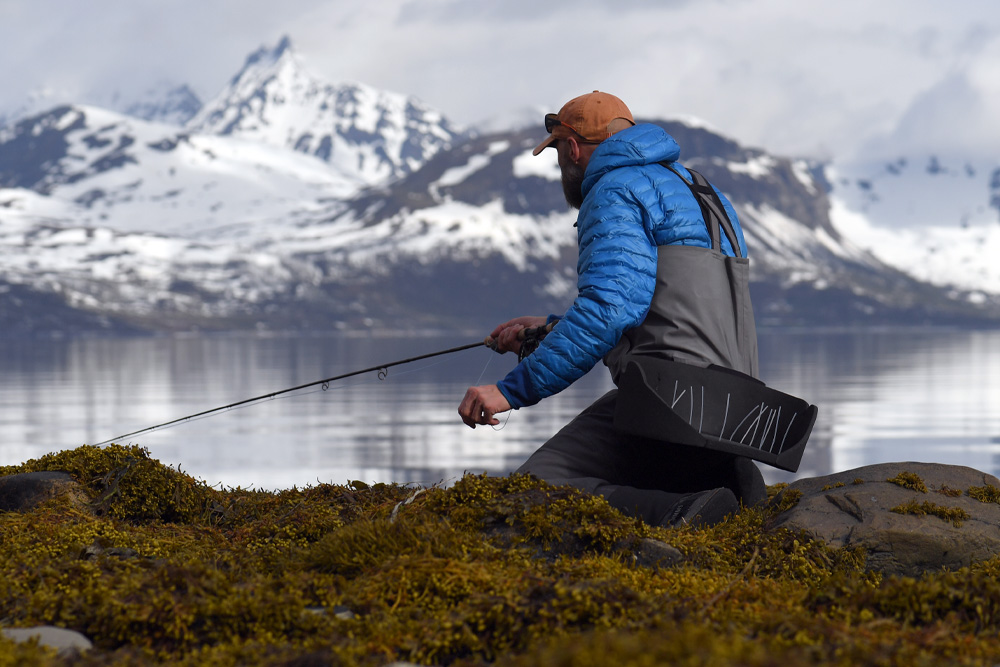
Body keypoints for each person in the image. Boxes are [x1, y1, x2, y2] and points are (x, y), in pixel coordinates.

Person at [458, 91, 766, 528]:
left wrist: (510, 391)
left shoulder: (613, 190)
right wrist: (547, 331)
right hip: (739, 404)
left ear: (572, 148)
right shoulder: (699, 188)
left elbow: (611, 308)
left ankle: (682, 512)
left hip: (672, 398)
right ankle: (726, 477)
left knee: (531, 490)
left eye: (558, 154)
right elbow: (671, 315)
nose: (562, 166)